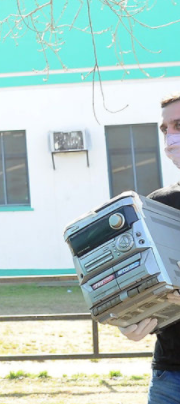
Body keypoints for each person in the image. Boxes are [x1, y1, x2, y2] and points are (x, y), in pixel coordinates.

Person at [118, 92, 180, 403]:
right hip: (172, 377)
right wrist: (131, 319)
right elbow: (142, 284)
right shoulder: (157, 205)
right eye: (165, 129)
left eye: (179, 125)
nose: (170, 137)